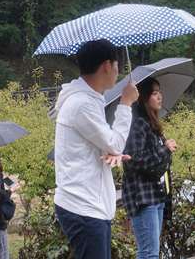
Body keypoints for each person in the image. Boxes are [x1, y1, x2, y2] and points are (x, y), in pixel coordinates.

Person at [53, 39, 139, 259]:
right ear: (107, 65)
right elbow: (116, 142)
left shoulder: (88, 100)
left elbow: (105, 144)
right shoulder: (82, 104)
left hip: (89, 205)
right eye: (117, 66)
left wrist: (112, 152)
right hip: (84, 207)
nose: (119, 72)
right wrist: (126, 103)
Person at [122, 77, 178, 259]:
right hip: (143, 197)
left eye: (159, 92)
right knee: (148, 253)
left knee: (152, 252)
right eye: (154, 93)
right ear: (144, 97)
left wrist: (165, 147)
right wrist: (163, 149)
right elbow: (133, 159)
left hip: (156, 195)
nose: (160, 97)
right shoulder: (137, 124)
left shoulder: (150, 124)